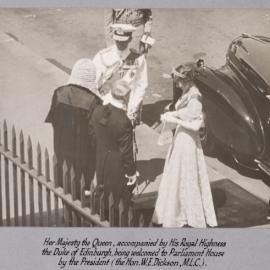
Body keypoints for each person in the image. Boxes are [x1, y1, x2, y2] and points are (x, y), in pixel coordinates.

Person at [152, 64, 217, 228]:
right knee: (177, 173)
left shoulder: (195, 99)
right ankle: (176, 208)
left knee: (186, 173)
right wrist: (171, 114)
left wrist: (174, 119)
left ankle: (187, 212)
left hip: (188, 140)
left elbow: (195, 125)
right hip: (181, 137)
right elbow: (183, 113)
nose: (177, 84)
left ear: (187, 80)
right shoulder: (188, 92)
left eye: (179, 81)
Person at [45, 58, 102, 199]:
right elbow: (94, 135)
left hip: (61, 145)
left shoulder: (59, 92)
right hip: (83, 152)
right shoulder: (94, 101)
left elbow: (53, 120)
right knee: (82, 187)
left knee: (64, 180)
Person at [91, 80, 138, 224]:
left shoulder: (98, 110)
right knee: (119, 198)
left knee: (103, 190)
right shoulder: (124, 122)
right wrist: (131, 173)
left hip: (101, 156)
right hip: (116, 164)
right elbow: (126, 152)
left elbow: (93, 133)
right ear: (126, 98)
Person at [93, 23, 148, 124]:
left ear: (130, 39)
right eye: (117, 40)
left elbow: (142, 85)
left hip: (126, 108)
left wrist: (132, 108)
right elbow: (94, 83)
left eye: (123, 41)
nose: (119, 43)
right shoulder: (103, 56)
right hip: (104, 105)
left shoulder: (139, 59)